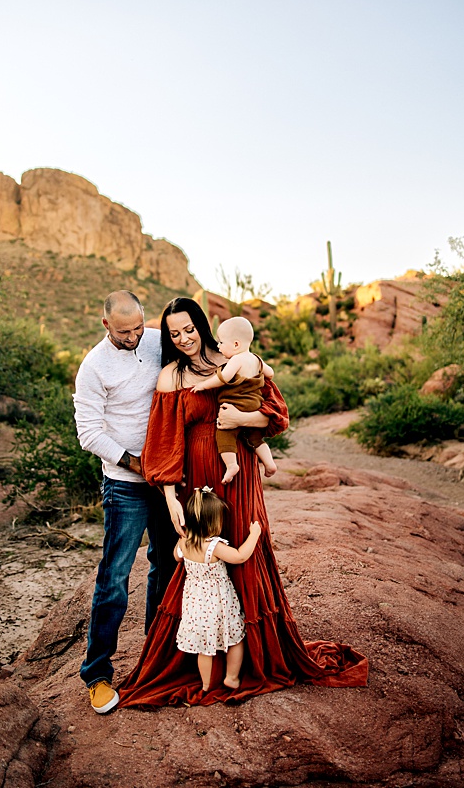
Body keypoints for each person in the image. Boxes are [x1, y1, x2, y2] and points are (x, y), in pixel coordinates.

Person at [118, 297, 368, 706]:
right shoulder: (170, 377)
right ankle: (202, 663)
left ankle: (251, 658)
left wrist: (240, 421)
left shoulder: (236, 357)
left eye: (189, 329)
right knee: (207, 562)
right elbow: (163, 441)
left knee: (244, 552)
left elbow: (276, 413)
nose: (183, 339)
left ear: (203, 324)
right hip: (197, 478)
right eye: (174, 333)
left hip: (241, 471)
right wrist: (169, 497)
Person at [73, 290, 173, 715]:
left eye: (137, 327)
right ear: (105, 326)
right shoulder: (93, 367)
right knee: (114, 578)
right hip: (126, 484)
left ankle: (156, 655)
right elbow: (89, 433)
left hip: (167, 478)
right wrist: (138, 463)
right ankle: (97, 674)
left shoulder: (154, 340)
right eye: (123, 331)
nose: (133, 337)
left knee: (167, 564)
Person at [174, 488, 261, 692]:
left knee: (203, 648)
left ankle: (206, 684)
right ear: (213, 522)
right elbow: (240, 556)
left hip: (195, 604)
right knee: (234, 639)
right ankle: (231, 677)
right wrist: (254, 535)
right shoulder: (214, 546)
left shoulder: (183, 542)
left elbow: (176, 557)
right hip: (220, 603)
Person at [189, 315, 277, 484]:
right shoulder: (256, 359)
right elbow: (271, 374)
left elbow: (224, 378)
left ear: (236, 344)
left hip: (237, 404)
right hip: (254, 404)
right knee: (255, 439)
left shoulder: (237, 359)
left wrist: (204, 385)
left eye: (221, 342)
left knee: (224, 434)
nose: (218, 346)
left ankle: (231, 465)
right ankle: (269, 463)